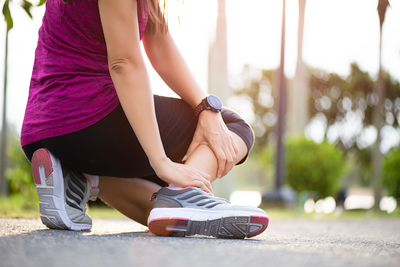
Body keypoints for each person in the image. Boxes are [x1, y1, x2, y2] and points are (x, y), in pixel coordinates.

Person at [21, 0, 269, 239]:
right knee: (235, 128)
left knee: (163, 202)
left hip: (45, 129)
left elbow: (160, 45)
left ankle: (83, 180)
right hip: (88, 117)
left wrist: (206, 109)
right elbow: (123, 62)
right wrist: (161, 162)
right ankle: (182, 197)